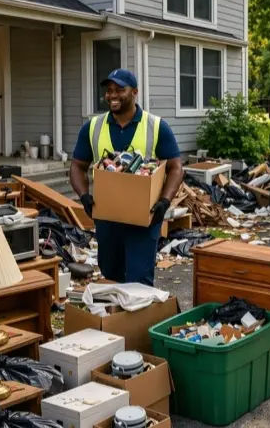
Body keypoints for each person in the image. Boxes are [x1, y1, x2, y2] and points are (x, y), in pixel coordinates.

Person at [69, 69, 184, 286]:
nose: (113, 95)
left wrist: (165, 201)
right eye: (109, 90)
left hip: (143, 218)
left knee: (139, 281)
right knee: (111, 277)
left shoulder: (157, 127)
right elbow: (77, 165)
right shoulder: (92, 128)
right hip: (107, 218)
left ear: (135, 92)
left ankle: (139, 321)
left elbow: (176, 168)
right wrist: (84, 196)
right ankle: (115, 320)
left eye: (120, 89)